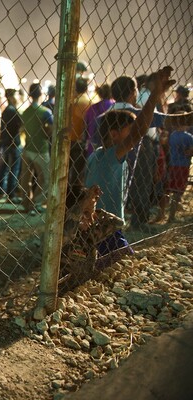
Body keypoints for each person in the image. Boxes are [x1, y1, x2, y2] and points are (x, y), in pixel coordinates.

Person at [85, 66, 176, 262]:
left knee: (118, 261)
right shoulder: (112, 155)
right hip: (104, 227)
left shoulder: (98, 156)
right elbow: (140, 129)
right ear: (114, 134)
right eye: (129, 130)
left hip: (99, 225)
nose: (135, 135)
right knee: (123, 262)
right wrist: (155, 95)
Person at [106, 73, 193, 231]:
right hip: (141, 150)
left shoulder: (104, 115)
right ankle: (139, 222)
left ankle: (110, 220)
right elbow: (174, 120)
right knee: (141, 185)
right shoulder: (137, 115)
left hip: (110, 157)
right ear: (133, 92)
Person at [60, 185, 124, 292]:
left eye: (92, 214)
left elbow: (118, 224)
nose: (90, 219)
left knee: (117, 237)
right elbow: (68, 233)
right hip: (62, 290)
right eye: (84, 213)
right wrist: (81, 206)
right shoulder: (62, 232)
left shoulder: (88, 233)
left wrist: (96, 212)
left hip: (82, 288)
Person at [19, 83, 53, 215]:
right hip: (41, 148)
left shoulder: (25, 112)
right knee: (45, 178)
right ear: (41, 94)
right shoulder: (45, 112)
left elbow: (22, 129)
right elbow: (50, 130)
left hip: (27, 148)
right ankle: (37, 202)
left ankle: (26, 203)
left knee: (26, 178)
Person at [164, 111, 193, 222]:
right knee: (178, 190)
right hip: (183, 165)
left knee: (173, 188)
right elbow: (189, 152)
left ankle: (170, 210)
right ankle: (171, 217)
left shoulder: (172, 136)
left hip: (173, 164)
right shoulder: (189, 137)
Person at [0, 89, 22, 201]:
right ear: (11, 97)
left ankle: (2, 190)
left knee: (5, 167)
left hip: (6, 141)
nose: (18, 97)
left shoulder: (7, 110)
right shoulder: (12, 110)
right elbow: (21, 123)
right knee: (14, 168)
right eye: (16, 95)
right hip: (13, 142)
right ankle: (11, 193)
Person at [84, 84, 114, 156]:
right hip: (108, 145)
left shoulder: (92, 108)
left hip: (92, 144)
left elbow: (86, 125)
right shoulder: (113, 107)